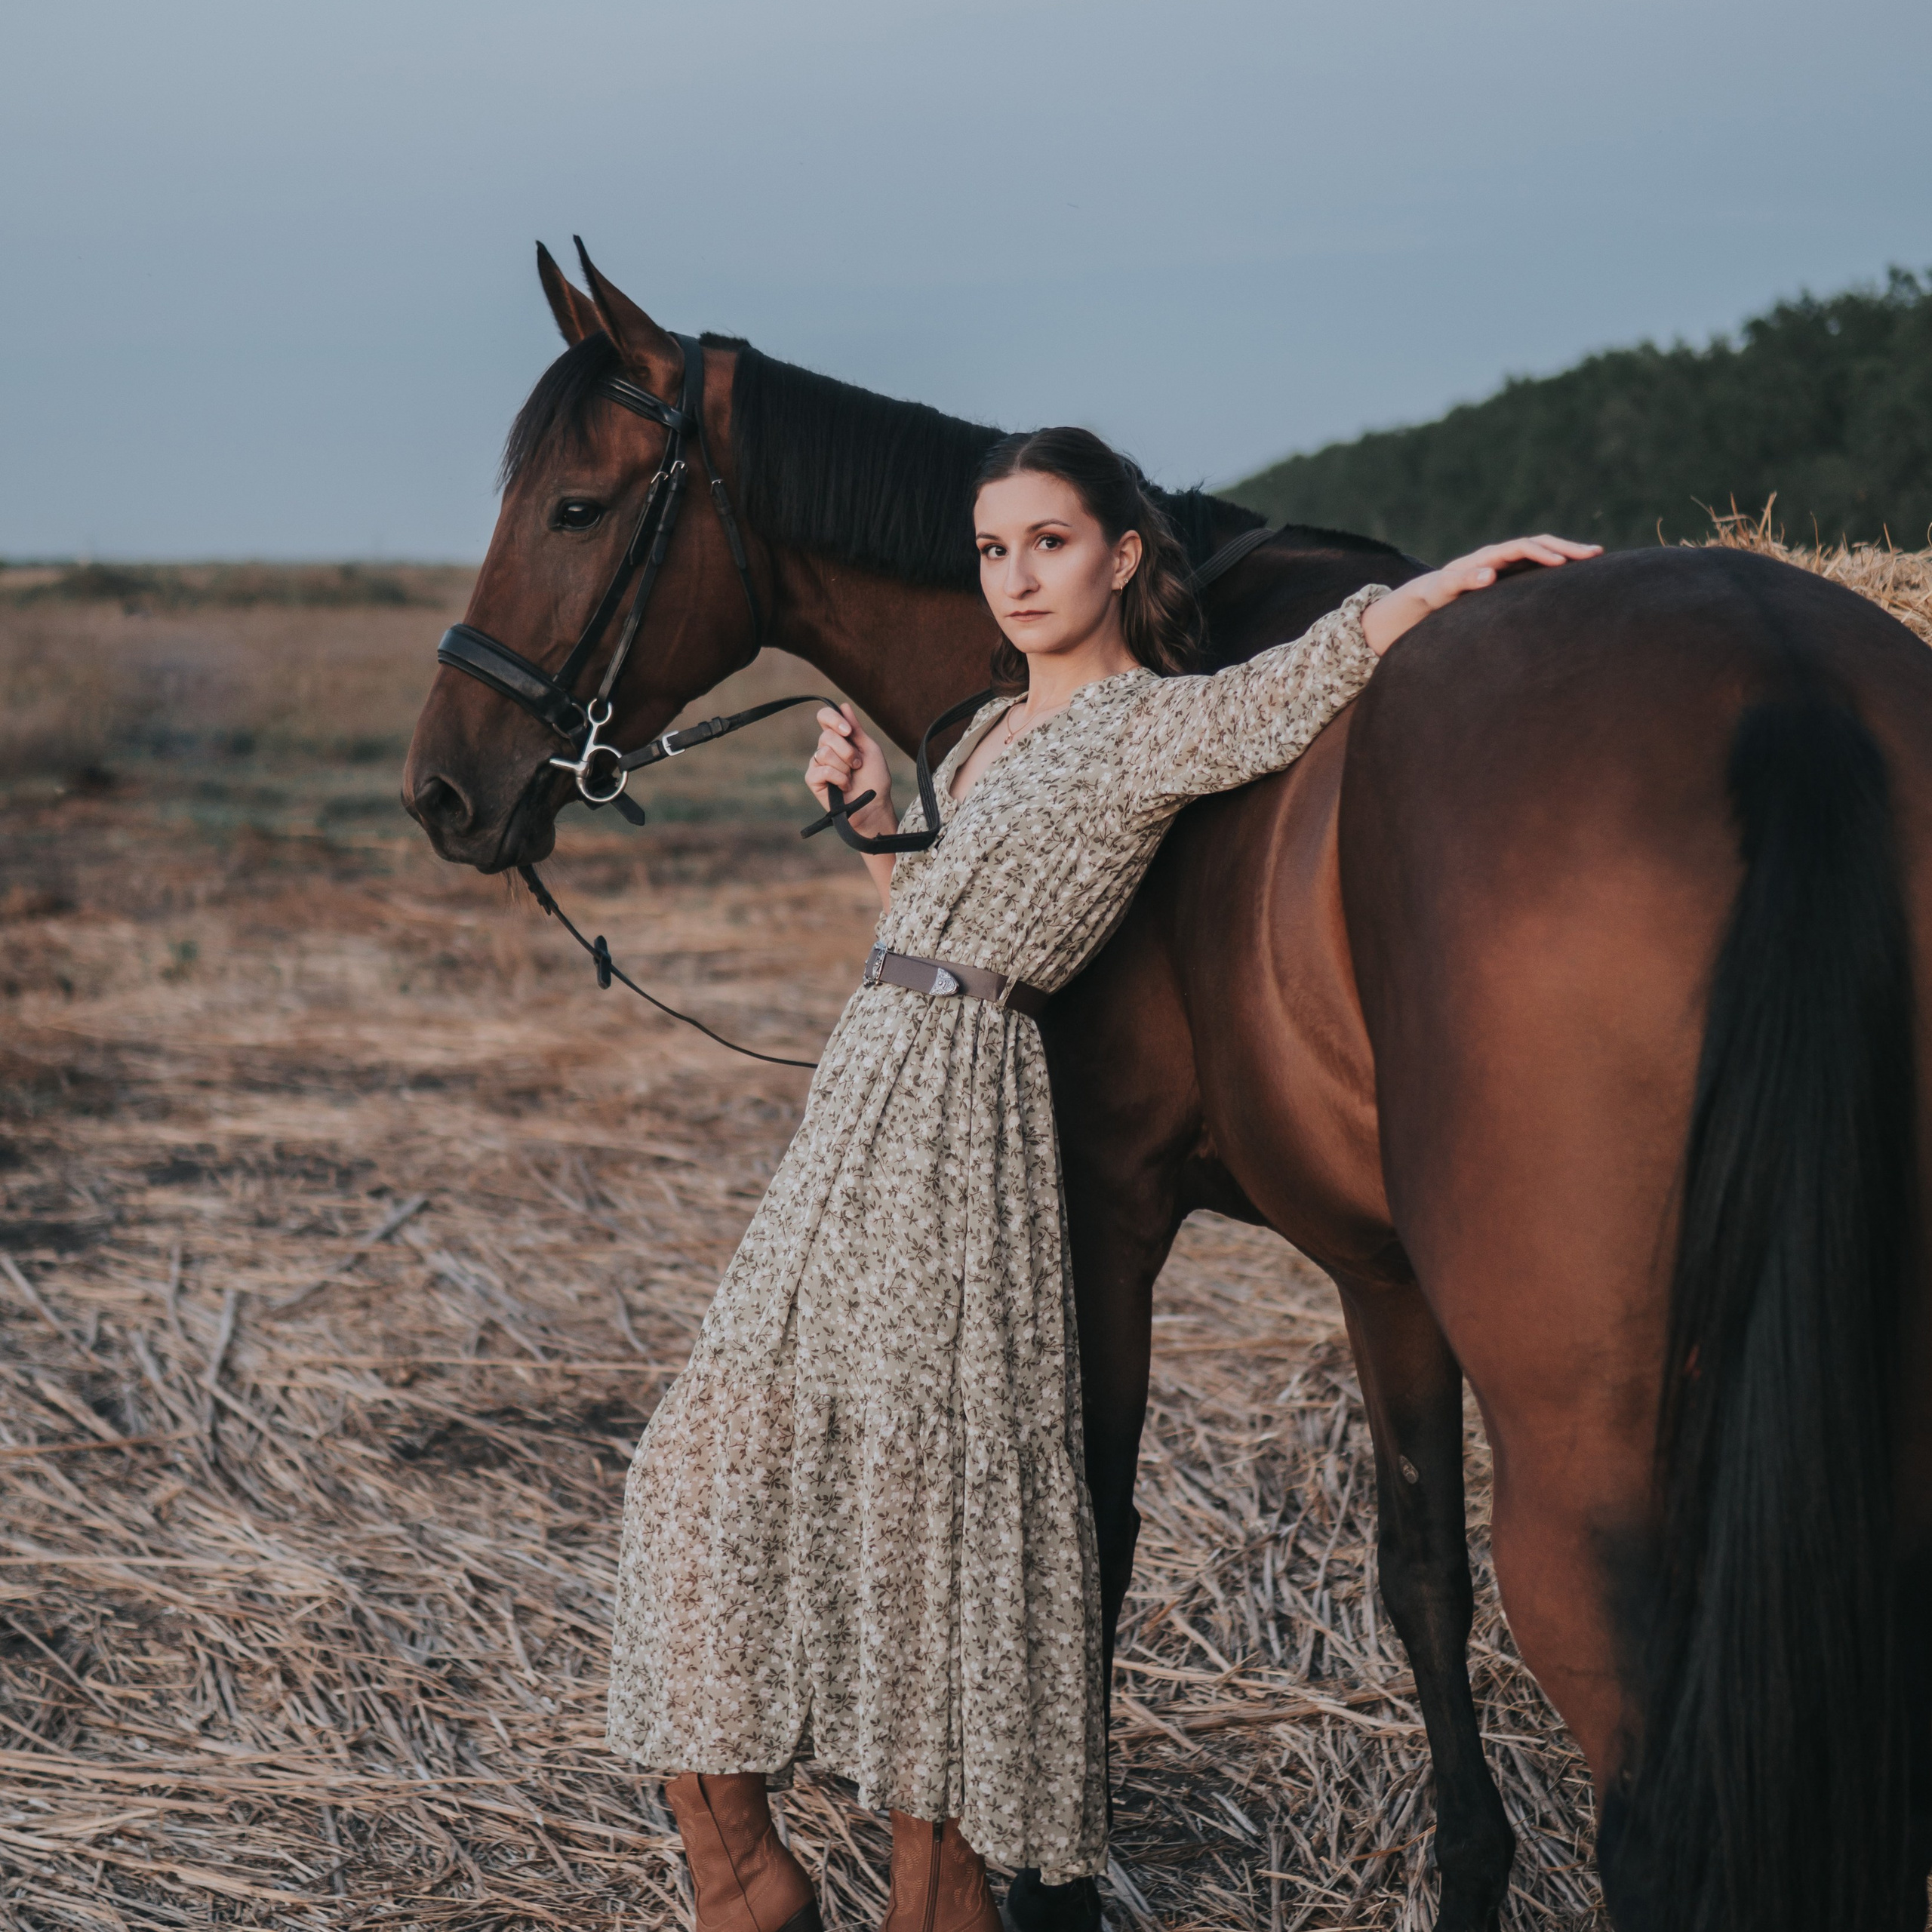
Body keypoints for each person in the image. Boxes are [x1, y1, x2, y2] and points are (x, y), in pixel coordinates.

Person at [605, 423, 1598, 1932]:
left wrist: (1445, 582)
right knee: (698, 1452)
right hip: (862, 1088)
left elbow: (1304, 677)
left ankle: (936, 1891)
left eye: (1048, 542)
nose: (1013, 575)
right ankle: (737, 1862)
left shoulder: (1153, 724)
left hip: (964, 1118)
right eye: (993, 547)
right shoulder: (973, 731)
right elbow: (932, 914)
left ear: (1122, 554)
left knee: (932, 1497)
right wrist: (876, 810)